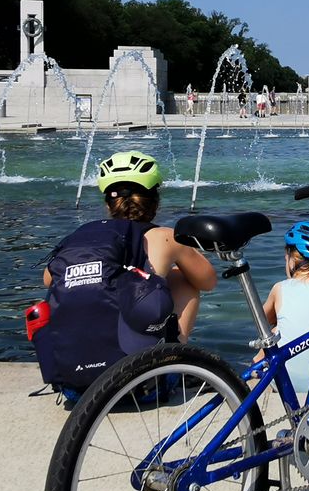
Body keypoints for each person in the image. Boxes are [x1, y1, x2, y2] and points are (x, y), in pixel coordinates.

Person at [41, 149, 216, 347]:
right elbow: (207, 281)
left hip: (67, 349)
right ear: (156, 202)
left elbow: (49, 279)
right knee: (183, 279)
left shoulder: (81, 235)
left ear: (108, 205)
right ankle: (174, 352)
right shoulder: (166, 237)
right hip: (131, 353)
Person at [261, 220, 309, 397]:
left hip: (284, 381)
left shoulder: (280, 288)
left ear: (292, 259)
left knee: (272, 331)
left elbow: (261, 322)